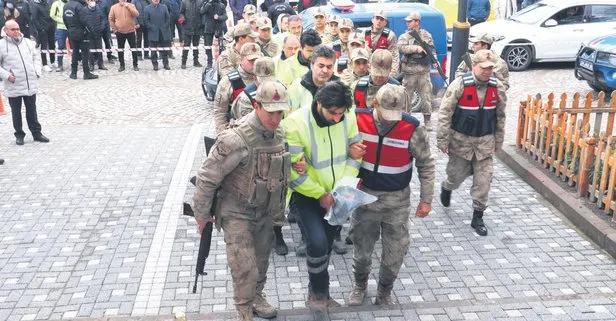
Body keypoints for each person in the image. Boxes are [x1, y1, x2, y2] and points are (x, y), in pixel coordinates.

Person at [192, 80, 290, 321]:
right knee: (243, 266)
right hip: (237, 212)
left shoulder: (279, 132)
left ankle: (257, 296)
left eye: (280, 112)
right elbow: (206, 178)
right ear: (256, 106)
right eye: (270, 112)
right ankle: (244, 310)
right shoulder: (234, 139)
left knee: (261, 261)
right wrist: (202, 215)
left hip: (264, 211)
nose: (275, 118)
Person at [348, 83, 434, 306]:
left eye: (396, 115)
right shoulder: (357, 120)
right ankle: (359, 286)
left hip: (397, 202)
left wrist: (426, 199)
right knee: (362, 251)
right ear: (374, 103)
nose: (391, 120)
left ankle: (385, 290)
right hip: (364, 199)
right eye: (387, 114)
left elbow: (426, 165)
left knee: (395, 252)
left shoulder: (412, 128)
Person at [284, 80, 361, 314]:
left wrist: (341, 190)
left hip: (338, 196)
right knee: (316, 242)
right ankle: (318, 295)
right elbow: (293, 175)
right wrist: (320, 194)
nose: (337, 118)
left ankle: (320, 292)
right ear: (319, 104)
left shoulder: (348, 117)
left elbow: (355, 157)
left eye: (341, 113)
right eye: (332, 113)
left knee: (326, 245)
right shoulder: (295, 124)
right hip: (307, 196)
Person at [437, 50, 507, 237]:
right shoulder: (459, 84)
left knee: (483, 182)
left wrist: (498, 141)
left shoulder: (497, 87)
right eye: (483, 68)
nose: (487, 71)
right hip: (461, 143)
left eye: (490, 68)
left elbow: (500, 117)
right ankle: (447, 187)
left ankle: (478, 216)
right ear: (474, 66)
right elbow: (445, 113)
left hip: (485, 144)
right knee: (455, 177)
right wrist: (442, 140)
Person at [0, 20, 50, 145]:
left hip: (29, 82)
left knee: (32, 110)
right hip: (13, 84)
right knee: (16, 112)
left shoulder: (28, 43)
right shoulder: (1, 45)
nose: (16, 31)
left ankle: (36, 133)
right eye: (13, 29)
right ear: (6, 30)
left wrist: (37, 71)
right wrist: (6, 75)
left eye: (17, 28)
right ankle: (19, 134)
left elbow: (36, 57)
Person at [214, 42, 263, 134]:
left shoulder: (265, 78)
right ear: (241, 59)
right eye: (251, 61)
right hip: (237, 133)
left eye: (258, 60)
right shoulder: (228, 82)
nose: (255, 64)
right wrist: (223, 135)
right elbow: (220, 113)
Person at [398, 11, 434, 129]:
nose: (408, 23)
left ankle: (427, 120)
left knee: (426, 96)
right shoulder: (405, 36)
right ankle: (406, 119)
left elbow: (431, 49)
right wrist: (416, 48)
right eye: (408, 21)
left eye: (410, 21)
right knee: (406, 97)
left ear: (417, 22)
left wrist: (434, 60)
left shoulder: (426, 35)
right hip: (410, 71)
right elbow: (401, 47)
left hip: (423, 70)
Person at [286, 44, 338, 113]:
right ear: (312, 65)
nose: (325, 70)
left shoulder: (341, 87)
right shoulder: (297, 87)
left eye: (329, 67)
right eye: (321, 66)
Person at [64, 0, 99, 79]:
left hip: (71, 31)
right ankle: (86, 73)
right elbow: (84, 21)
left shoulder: (66, 6)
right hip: (81, 32)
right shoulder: (79, 6)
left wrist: (70, 29)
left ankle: (73, 73)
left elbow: (65, 20)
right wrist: (92, 32)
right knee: (85, 53)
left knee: (75, 52)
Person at [363, 10, 399, 77]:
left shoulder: (390, 36)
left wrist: (392, 74)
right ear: (372, 20)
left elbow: (394, 56)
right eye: (377, 18)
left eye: (382, 19)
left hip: (382, 71)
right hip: (366, 70)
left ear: (385, 23)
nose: (379, 21)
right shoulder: (364, 33)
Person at [108, 0, 140, 71]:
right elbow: (111, 19)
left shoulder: (131, 5)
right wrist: (114, 29)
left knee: (134, 49)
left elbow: (137, 14)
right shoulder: (114, 7)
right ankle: (122, 65)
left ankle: (135, 65)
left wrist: (128, 7)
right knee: (120, 49)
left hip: (130, 31)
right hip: (120, 32)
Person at [144, 0, 171, 70]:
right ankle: (155, 64)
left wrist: (165, 26)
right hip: (153, 32)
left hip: (163, 32)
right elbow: (146, 20)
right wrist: (151, 27)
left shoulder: (164, 7)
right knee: (153, 51)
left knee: (165, 50)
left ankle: (166, 64)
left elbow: (168, 18)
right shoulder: (147, 8)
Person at [31, 0, 57, 71]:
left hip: (51, 28)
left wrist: (54, 25)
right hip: (43, 29)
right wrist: (40, 28)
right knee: (44, 47)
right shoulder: (36, 5)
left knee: (52, 45)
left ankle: (52, 61)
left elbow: (52, 15)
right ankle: (45, 64)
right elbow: (34, 19)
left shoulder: (48, 3)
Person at [200, 0, 227, 68]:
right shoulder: (207, 4)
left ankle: (220, 61)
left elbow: (225, 16)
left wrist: (219, 17)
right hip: (209, 27)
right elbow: (202, 11)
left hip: (218, 27)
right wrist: (208, 4)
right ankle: (209, 61)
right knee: (208, 45)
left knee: (221, 45)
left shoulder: (221, 5)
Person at [84, 0, 107, 71]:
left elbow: (103, 19)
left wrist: (102, 27)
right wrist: (87, 29)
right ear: (87, 2)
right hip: (89, 33)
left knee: (99, 49)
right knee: (90, 50)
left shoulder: (98, 8)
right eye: (90, 0)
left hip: (98, 32)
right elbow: (83, 21)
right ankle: (91, 65)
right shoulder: (84, 10)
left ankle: (101, 64)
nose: (92, 2)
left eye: (93, 0)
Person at [179, 0, 203, 69]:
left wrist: (201, 25)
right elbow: (181, 13)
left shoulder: (200, 2)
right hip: (187, 27)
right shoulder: (184, 2)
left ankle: (196, 61)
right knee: (186, 45)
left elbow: (202, 14)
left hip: (197, 28)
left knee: (196, 46)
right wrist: (182, 18)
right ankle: (183, 62)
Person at [50, 0, 68, 72]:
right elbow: (52, 15)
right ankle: (60, 65)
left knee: (74, 45)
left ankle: (76, 62)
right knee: (60, 46)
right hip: (61, 27)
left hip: (70, 27)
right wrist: (61, 20)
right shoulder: (56, 4)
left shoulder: (69, 2)